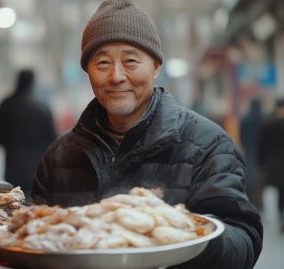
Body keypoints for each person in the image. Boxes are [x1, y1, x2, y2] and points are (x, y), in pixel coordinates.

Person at [31, 1, 262, 268]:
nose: (116, 76)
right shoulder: (58, 157)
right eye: (102, 62)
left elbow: (244, 243)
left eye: (130, 61)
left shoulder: (208, 145)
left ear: (156, 67)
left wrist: (175, 231)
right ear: (88, 72)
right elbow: (34, 238)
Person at [0, 69, 57, 195]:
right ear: (33, 83)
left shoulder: (7, 105)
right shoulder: (42, 108)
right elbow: (52, 139)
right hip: (35, 167)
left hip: (12, 164)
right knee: (32, 204)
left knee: (11, 200)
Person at [258, 98, 284, 233]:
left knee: (280, 192)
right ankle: (281, 219)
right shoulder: (270, 123)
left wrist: (261, 162)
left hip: (275, 164)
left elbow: (263, 145)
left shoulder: (269, 123)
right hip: (277, 164)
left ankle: (281, 218)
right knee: (281, 192)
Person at [239, 98, 262, 201]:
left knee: (248, 174)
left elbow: (241, 135)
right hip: (260, 151)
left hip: (248, 149)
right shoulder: (262, 120)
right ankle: (257, 199)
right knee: (259, 176)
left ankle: (248, 196)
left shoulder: (245, 119)